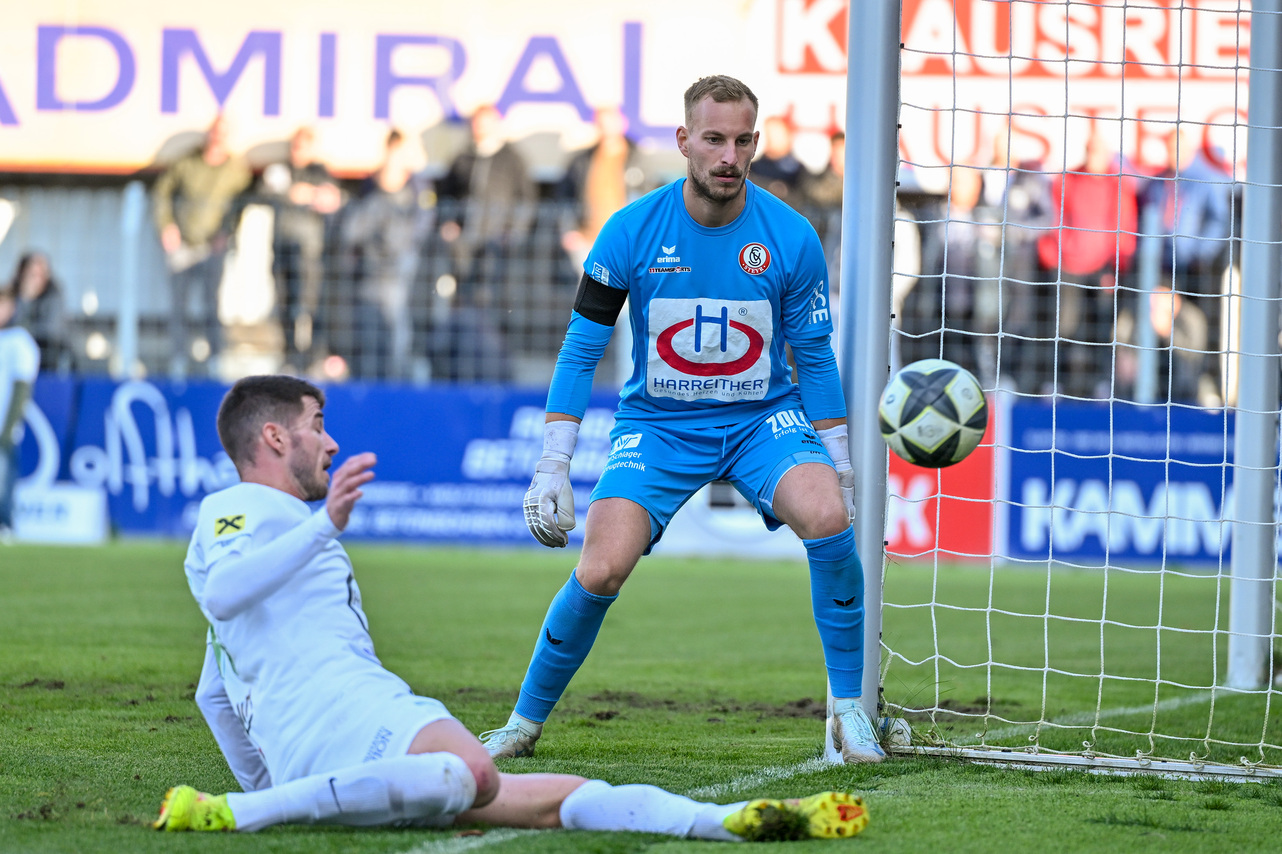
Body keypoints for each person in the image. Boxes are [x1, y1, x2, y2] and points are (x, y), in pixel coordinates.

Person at [153, 375, 867, 841]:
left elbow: (212, 693)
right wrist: (324, 525)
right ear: (275, 437)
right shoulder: (237, 509)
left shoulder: (269, 526)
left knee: (559, 798)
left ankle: (726, 822)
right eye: (316, 423)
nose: (331, 440)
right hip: (341, 720)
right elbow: (221, 592)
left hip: (353, 722)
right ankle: (242, 815)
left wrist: (267, 772)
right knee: (470, 771)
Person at [480, 75, 885, 765]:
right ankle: (522, 724)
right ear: (684, 142)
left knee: (826, 514)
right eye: (715, 139)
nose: (730, 155)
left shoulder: (790, 236)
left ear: (756, 143)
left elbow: (814, 359)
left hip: (763, 421)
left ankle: (850, 710)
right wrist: (554, 459)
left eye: (743, 140)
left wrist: (839, 458)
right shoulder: (630, 229)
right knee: (602, 568)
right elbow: (582, 350)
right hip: (658, 427)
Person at [1036, 130, 1139, 398]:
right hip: (1069, 266)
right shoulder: (1067, 179)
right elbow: (1055, 219)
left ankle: (1099, 384)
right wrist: (1056, 255)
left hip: (1102, 268)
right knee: (1062, 327)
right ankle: (1056, 382)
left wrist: (1117, 268)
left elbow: (1124, 228)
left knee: (1101, 328)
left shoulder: (1118, 184)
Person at [152, 114, 253, 377]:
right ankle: (178, 361)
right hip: (183, 244)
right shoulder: (187, 163)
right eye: (214, 132)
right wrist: (166, 226)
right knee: (178, 305)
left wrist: (227, 233)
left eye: (223, 133)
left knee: (211, 304)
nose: (217, 138)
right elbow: (162, 193)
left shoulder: (236, 170)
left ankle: (214, 360)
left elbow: (240, 205)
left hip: (213, 247)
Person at [260, 127, 342, 371]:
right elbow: (266, 192)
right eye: (294, 146)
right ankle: (290, 356)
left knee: (308, 305)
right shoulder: (280, 170)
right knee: (284, 305)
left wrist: (309, 194)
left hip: (308, 252)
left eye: (302, 146)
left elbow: (331, 199)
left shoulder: (319, 172)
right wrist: (292, 194)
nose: (297, 152)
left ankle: (312, 356)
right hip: (281, 249)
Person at [0, 286, 39, 542]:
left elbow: (22, 386)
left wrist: (9, 426)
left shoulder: (19, 341)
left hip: (3, 423)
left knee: (4, 477)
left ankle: (5, 523)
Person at [9, 251, 72, 373]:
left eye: (40, 275)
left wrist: (21, 332)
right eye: (32, 275)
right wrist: (25, 299)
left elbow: (51, 331)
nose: (36, 280)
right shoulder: (12, 296)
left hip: (47, 361)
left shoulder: (53, 296)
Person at [748, 114, 804, 207]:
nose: (773, 138)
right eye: (769, 133)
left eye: (778, 134)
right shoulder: (753, 168)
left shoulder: (798, 169)